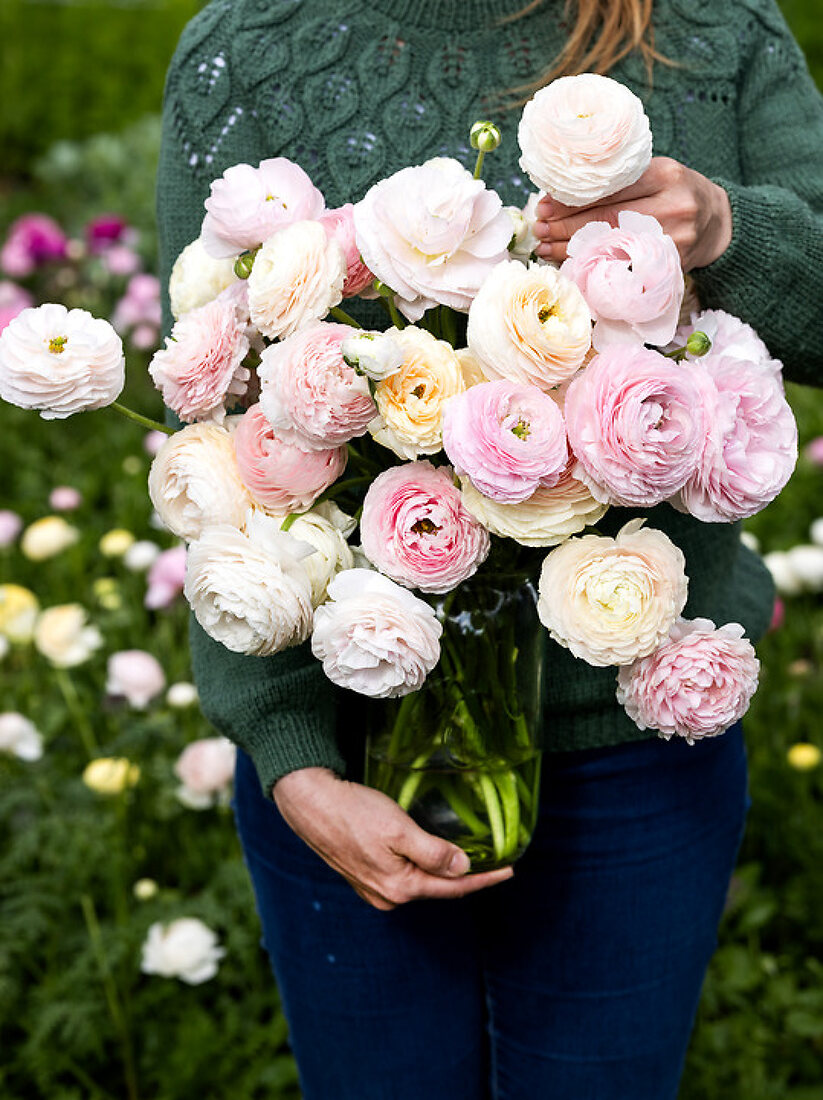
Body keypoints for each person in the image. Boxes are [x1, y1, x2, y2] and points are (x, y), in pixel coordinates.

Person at [156, 0, 823, 1095]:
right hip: (348, 766)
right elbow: (212, 441)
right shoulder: (248, 46)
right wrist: (289, 752)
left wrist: (725, 225)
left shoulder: (712, 31)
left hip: (637, 758)